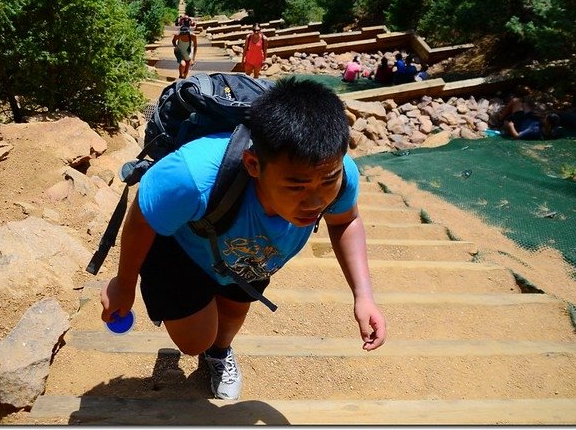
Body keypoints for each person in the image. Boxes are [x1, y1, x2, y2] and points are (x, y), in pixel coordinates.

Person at [100, 77, 387, 401]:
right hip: (183, 251)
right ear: (253, 164)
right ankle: (206, 345)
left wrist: (363, 295)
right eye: (296, 187)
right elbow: (143, 216)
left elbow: (345, 221)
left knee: (233, 315)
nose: (314, 202)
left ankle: (220, 355)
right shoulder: (193, 175)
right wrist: (124, 284)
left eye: (328, 182)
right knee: (196, 341)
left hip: (253, 259)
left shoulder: (334, 170)